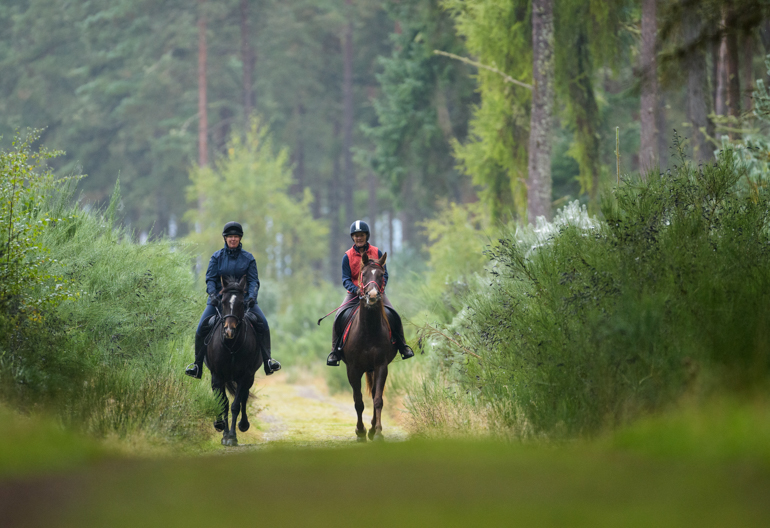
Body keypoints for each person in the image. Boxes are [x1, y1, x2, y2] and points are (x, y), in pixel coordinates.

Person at [185, 221, 281, 378]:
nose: (233, 239)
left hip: (243, 302)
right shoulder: (216, 257)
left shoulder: (248, 259)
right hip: (219, 301)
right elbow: (210, 278)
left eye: (236, 236)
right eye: (230, 237)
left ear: (240, 238)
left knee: (263, 324)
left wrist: (251, 298)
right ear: (225, 239)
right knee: (201, 327)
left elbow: (253, 281)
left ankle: (268, 361)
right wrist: (213, 294)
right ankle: (197, 365)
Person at [326, 220, 415, 366]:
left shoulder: (377, 252)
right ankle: (334, 352)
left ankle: (403, 346)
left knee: (393, 314)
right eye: (356, 236)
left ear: (366, 236)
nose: (359, 238)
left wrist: (380, 287)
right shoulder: (347, 256)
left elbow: (384, 274)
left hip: (376, 291)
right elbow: (345, 279)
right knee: (339, 316)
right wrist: (356, 290)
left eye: (361, 235)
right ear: (352, 238)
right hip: (355, 294)